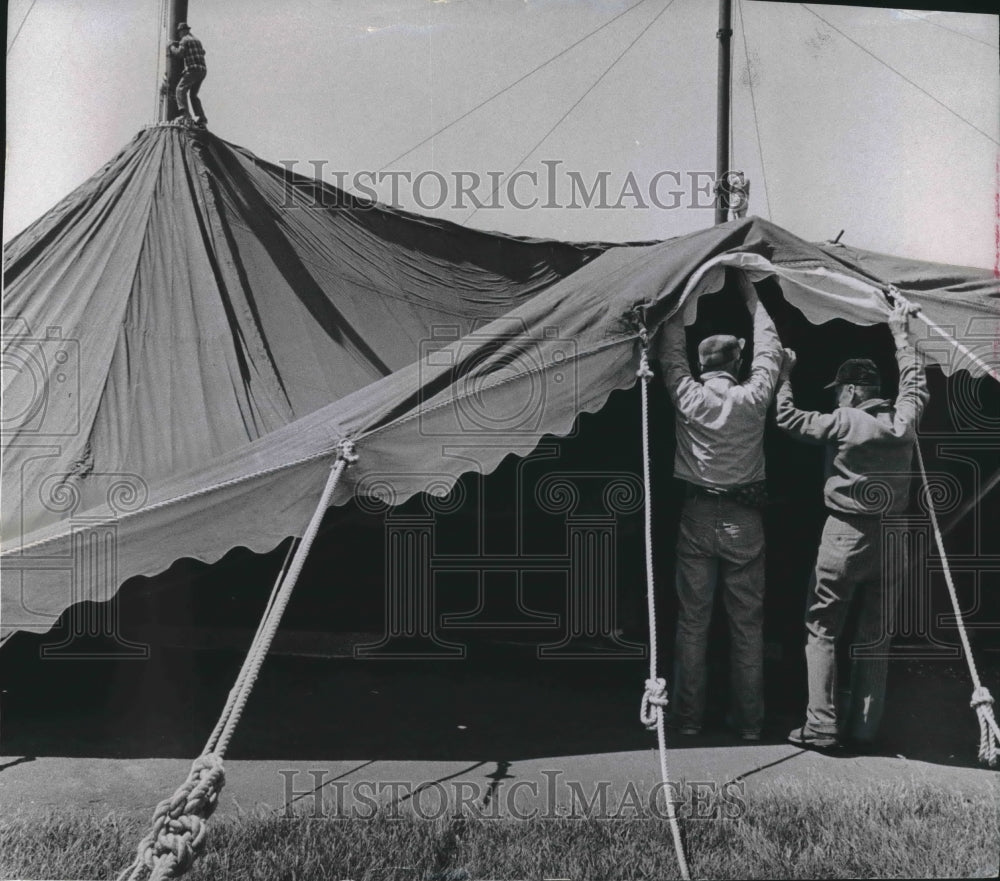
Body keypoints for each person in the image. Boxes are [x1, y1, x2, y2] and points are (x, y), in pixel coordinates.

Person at [777, 300, 928, 752]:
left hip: (845, 533)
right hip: (893, 537)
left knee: (822, 627)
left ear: (851, 391)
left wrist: (784, 377)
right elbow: (915, 383)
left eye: (839, 389)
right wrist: (901, 335)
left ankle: (821, 726)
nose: (836, 395)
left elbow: (787, 420)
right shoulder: (904, 420)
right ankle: (865, 727)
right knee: (875, 635)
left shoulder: (844, 419)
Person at [655, 273, 784, 741]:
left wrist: (687, 287)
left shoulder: (687, 395)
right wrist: (748, 289)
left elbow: (669, 345)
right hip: (745, 520)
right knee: (747, 625)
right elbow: (770, 344)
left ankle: (688, 720)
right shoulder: (753, 398)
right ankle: (749, 725)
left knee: (692, 622)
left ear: (700, 362)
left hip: (696, 513)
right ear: (739, 358)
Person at [168, 22, 207, 126]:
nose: (179, 35)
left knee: (180, 90)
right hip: (202, 70)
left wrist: (171, 47)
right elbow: (203, 52)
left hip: (193, 70)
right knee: (193, 95)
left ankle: (185, 115)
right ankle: (201, 117)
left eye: (179, 33)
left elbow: (179, 54)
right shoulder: (197, 40)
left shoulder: (184, 40)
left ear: (183, 31)